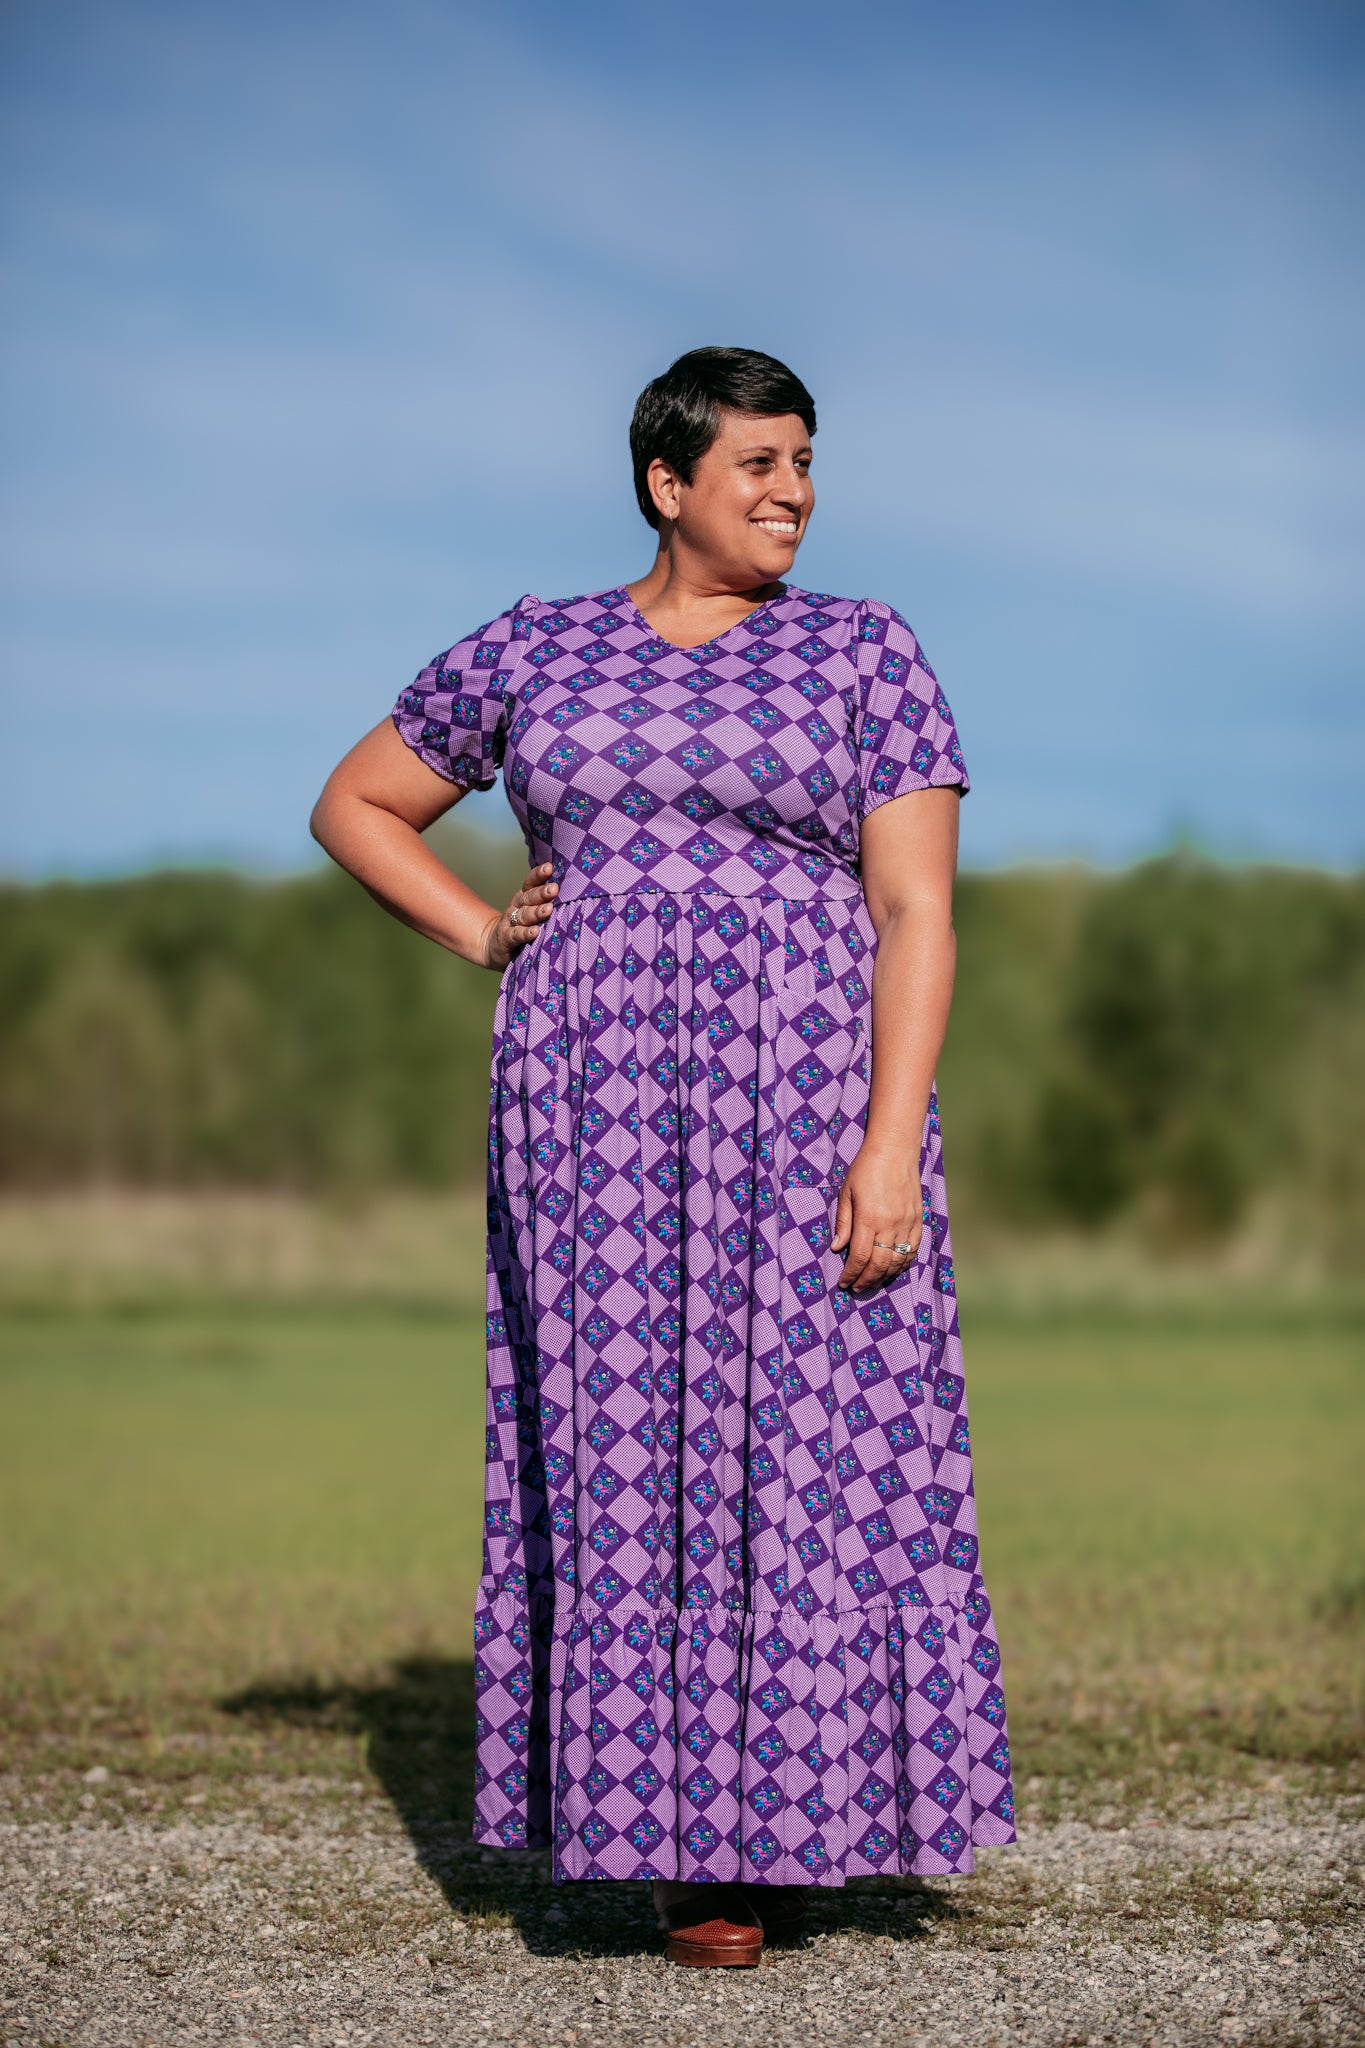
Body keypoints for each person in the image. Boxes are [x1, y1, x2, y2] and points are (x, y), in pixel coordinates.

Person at [310, 345, 1016, 1968]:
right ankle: (658, 1834)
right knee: (618, 1445)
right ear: (667, 482)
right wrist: (485, 929)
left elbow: (915, 909)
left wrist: (888, 1144)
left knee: (794, 1442)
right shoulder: (537, 646)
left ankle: (779, 1828)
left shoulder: (861, 650)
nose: (793, 492)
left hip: (800, 1093)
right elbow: (358, 804)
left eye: (804, 462)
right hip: (590, 1112)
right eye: (760, 463)